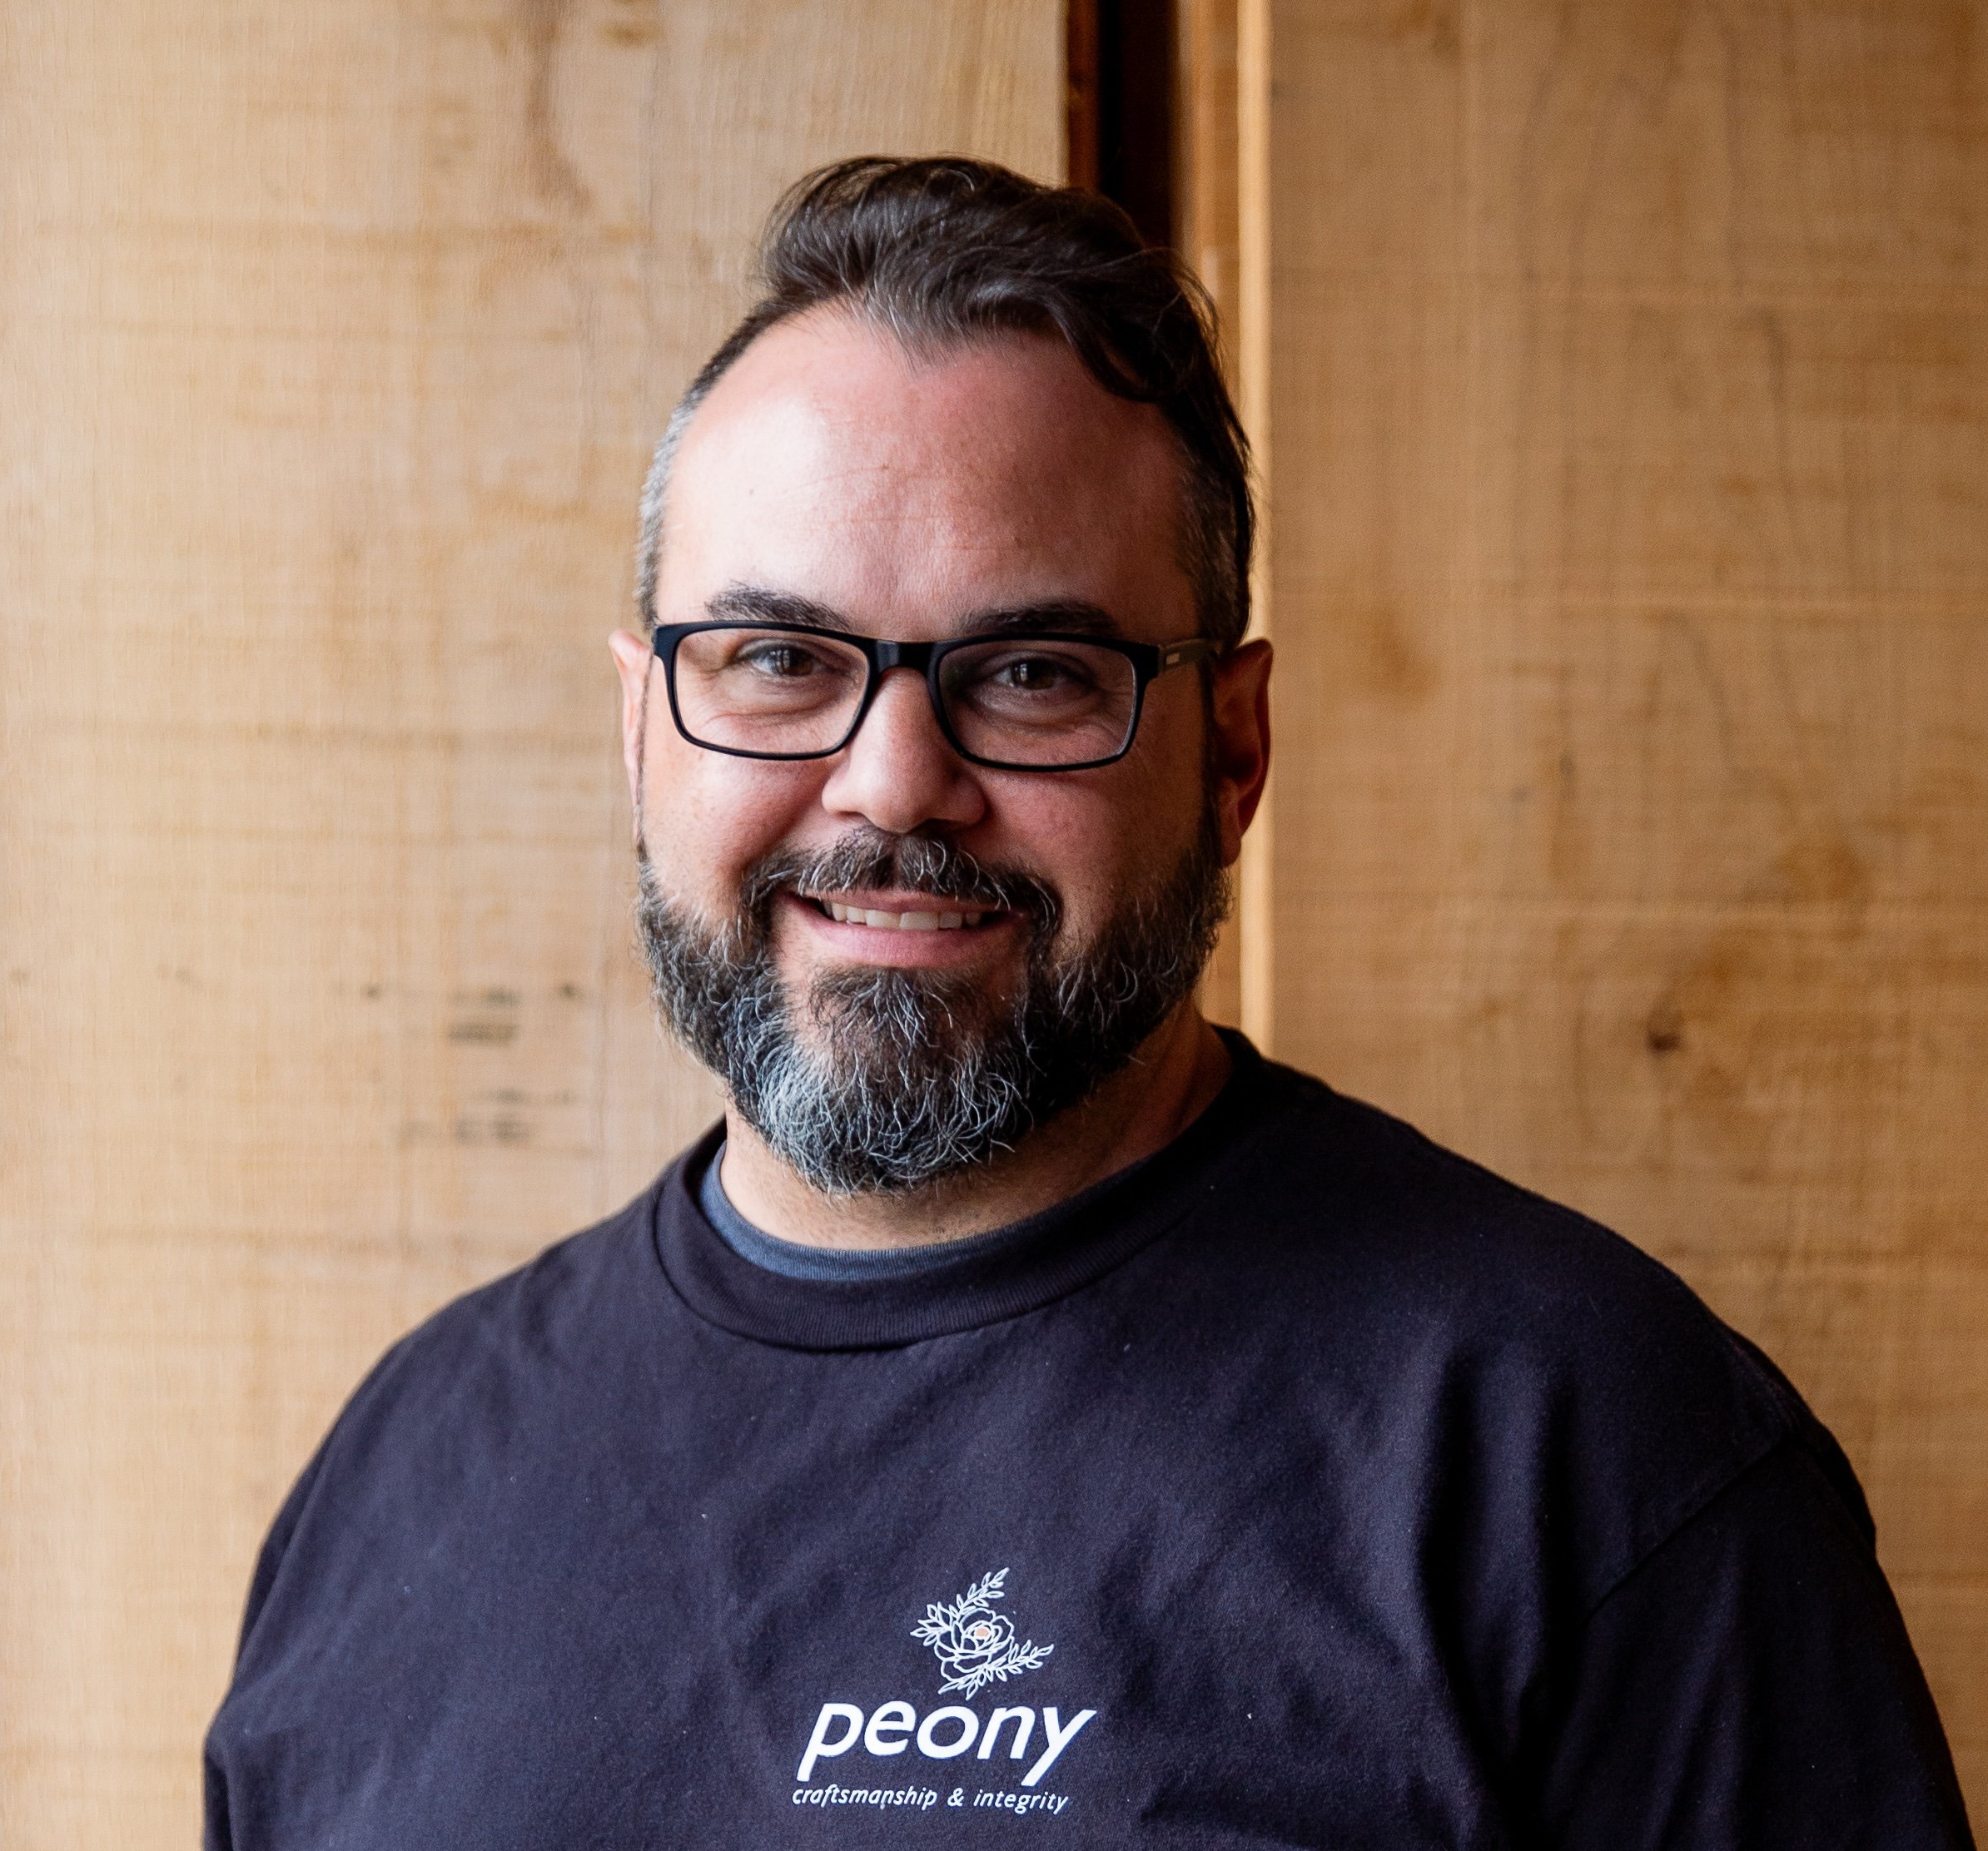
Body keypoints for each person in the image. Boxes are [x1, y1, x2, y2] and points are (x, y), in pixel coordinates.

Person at [203, 157, 1975, 1849]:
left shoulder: (1567, 1445)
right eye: (775, 661)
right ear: (639, 728)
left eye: (1033, 674)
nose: (891, 786)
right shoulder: (404, 1478)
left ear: (1233, 748)